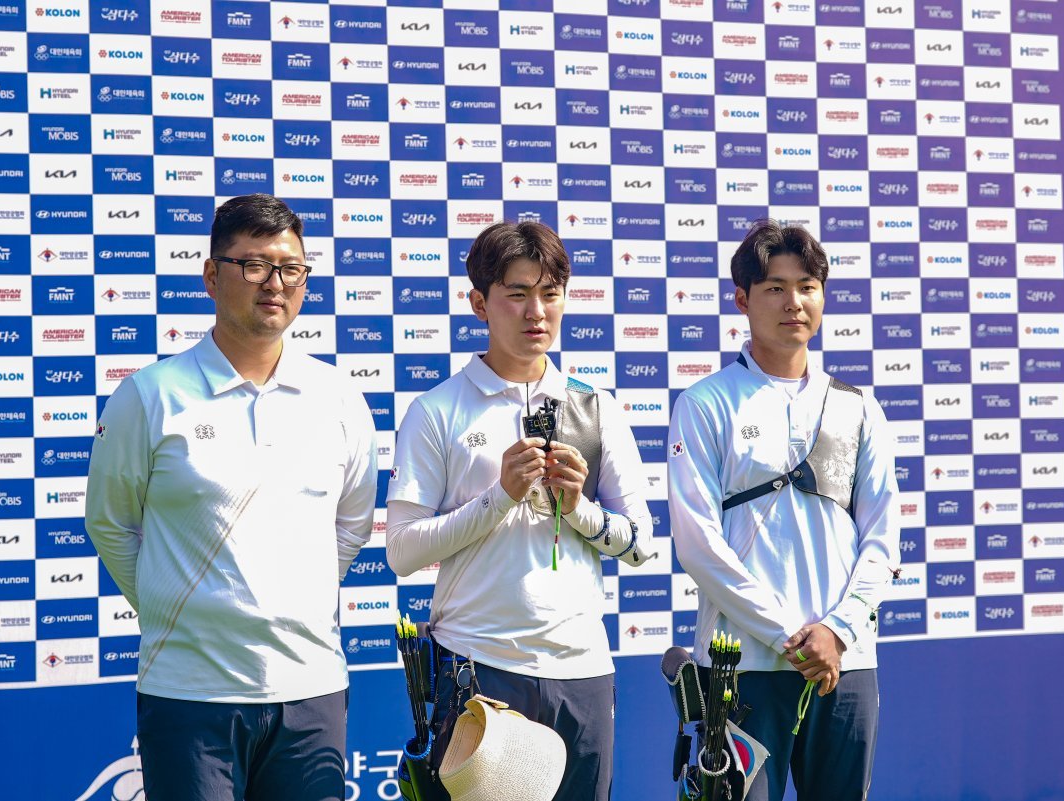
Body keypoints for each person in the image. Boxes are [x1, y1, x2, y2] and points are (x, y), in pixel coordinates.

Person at [85, 193, 378, 801]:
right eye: (254, 265)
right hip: (190, 694)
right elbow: (110, 524)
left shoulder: (340, 398)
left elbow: (350, 527)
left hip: (312, 689)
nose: (275, 283)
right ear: (211, 276)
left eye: (290, 268)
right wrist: (177, 608)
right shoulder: (149, 395)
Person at [386, 221, 654, 801]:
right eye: (517, 293)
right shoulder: (437, 410)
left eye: (550, 292)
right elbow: (402, 551)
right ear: (479, 303)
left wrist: (578, 511)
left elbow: (641, 545)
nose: (537, 311)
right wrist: (499, 497)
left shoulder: (595, 407)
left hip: (582, 671)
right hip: (480, 670)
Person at [667, 220, 899, 801]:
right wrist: (792, 637)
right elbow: (698, 544)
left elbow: (882, 539)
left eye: (807, 286)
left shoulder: (859, 406)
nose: (794, 302)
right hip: (743, 665)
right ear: (742, 299)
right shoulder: (705, 403)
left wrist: (838, 633)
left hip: (845, 663)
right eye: (774, 287)